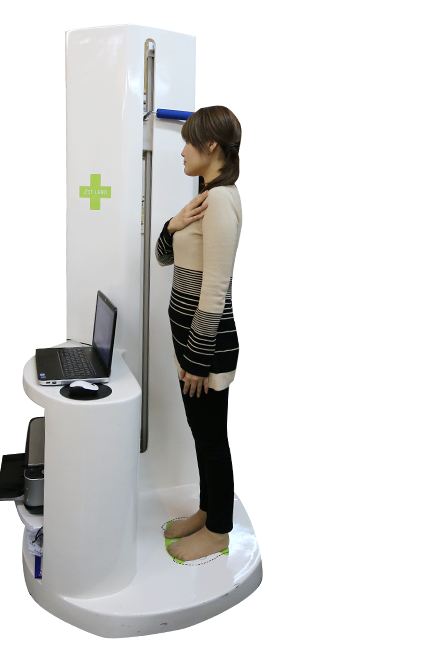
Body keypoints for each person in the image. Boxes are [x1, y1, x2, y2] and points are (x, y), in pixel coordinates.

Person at [154, 105, 242, 562]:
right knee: (201, 434)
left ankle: (219, 531)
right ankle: (208, 512)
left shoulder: (222, 200)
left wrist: (196, 360)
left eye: (189, 142)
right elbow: (163, 256)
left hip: (204, 352)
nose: (183, 151)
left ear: (211, 146)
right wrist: (175, 223)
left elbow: (216, 287)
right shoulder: (204, 199)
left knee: (212, 439)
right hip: (190, 347)